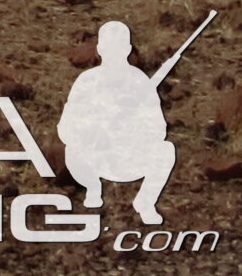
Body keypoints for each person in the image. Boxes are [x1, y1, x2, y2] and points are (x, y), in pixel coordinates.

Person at [59, 21, 176, 224]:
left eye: (119, 48)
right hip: (94, 158)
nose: (114, 53)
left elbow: (159, 130)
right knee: (71, 150)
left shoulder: (140, 82)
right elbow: (66, 126)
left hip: (128, 157)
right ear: (100, 49)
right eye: (109, 48)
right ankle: (93, 188)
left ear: (128, 49)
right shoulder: (87, 81)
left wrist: (132, 126)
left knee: (166, 150)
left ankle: (145, 203)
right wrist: (93, 128)